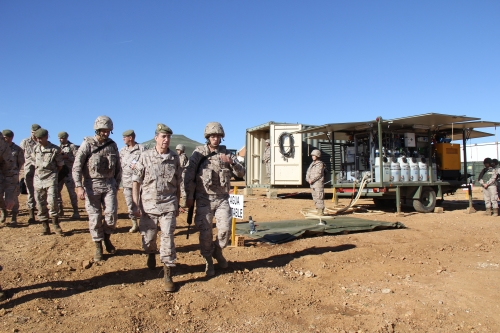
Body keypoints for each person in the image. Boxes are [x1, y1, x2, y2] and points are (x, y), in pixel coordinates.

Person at [183, 122, 245, 277]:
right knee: (205, 233)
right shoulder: (199, 153)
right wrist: (188, 196)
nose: (215, 139)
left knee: (224, 230)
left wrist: (232, 163)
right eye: (212, 136)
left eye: (218, 136)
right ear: (207, 137)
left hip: (222, 198)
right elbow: (189, 176)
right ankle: (208, 259)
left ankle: (218, 251)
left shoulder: (226, 154)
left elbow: (241, 174)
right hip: (204, 199)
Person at [132, 123, 182, 292]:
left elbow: (178, 183)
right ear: (156, 138)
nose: (166, 140)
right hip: (148, 206)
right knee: (149, 239)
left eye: (168, 137)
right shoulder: (144, 156)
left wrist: (178, 202)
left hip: (168, 204)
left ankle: (168, 272)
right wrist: (135, 204)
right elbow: (136, 182)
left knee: (168, 237)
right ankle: (151, 253)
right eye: (163, 137)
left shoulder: (174, 158)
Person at [73, 116, 121, 261]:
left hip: (109, 185)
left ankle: (106, 237)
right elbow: (77, 167)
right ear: (97, 129)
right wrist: (79, 186)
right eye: (103, 131)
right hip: (91, 185)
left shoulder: (112, 145)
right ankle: (98, 246)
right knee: (94, 217)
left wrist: (116, 184)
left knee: (111, 215)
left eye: (108, 131)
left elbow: (118, 168)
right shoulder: (87, 144)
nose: (106, 133)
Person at [32, 128, 65, 235]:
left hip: (51, 178)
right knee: (40, 203)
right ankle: (45, 227)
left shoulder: (55, 150)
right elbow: (34, 163)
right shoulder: (35, 148)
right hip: (38, 179)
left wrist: (53, 175)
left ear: (46, 137)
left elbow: (60, 166)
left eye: (41, 138)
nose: (39, 140)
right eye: (37, 138)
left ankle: (56, 225)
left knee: (52, 202)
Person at [119, 129, 145, 233]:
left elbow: (146, 163)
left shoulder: (142, 148)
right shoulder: (122, 151)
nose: (123, 139)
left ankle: (144, 223)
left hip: (140, 182)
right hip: (126, 182)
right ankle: (134, 224)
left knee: (143, 203)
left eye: (124, 137)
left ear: (131, 138)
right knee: (130, 204)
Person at [1, 130, 24, 225]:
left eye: (6, 137)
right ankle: (3, 212)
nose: (4, 139)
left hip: (12, 174)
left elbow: (20, 162)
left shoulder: (17, 149)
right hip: (1, 175)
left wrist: (16, 172)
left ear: (11, 137)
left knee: (13, 195)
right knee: (1, 195)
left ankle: (14, 215)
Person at [19, 124, 42, 223]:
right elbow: (20, 155)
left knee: (40, 192)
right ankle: (31, 214)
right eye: (33, 132)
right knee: (30, 191)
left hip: (40, 169)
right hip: (29, 169)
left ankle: (42, 213)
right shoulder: (25, 142)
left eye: (36, 132)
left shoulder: (41, 142)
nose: (34, 134)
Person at [57, 131, 80, 219]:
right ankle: (60, 209)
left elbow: (78, 159)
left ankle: (76, 211)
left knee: (71, 192)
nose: (60, 139)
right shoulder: (58, 147)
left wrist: (67, 157)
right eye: (59, 138)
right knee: (57, 191)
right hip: (60, 173)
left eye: (62, 138)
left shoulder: (72, 147)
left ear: (66, 138)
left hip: (69, 173)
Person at [305, 149, 325, 216]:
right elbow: (308, 172)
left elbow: (318, 174)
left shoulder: (320, 164)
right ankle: (317, 209)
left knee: (319, 197)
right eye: (312, 155)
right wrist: (308, 179)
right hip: (312, 184)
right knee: (315, 197)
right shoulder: (312, 164)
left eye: (314, 155)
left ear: (317, 156)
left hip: (318, 184)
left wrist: (312, 180)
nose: (312, 156)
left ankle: (320, 211)